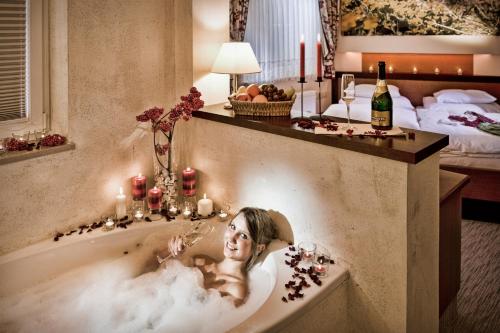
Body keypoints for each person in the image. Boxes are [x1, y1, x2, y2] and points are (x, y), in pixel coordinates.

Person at [167, 207, 277, 306]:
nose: (231, 238)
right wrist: (174, 254)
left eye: (243, 235)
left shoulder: (236, 290)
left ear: (258, 248)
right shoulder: (201, 260)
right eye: (233, 227)